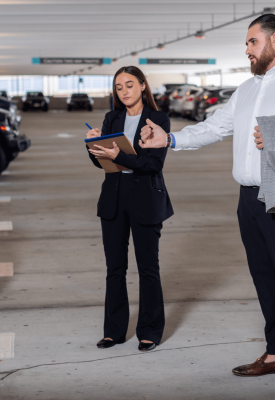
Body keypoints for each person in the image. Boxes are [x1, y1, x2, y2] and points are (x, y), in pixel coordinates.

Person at [138, 14, 275, 397]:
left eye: (252, 42)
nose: (247, 49)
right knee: (266, 278)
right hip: (250, 197)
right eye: (247, 44)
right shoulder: (248, 88)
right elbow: (215, 126)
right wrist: (168, 140)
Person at [86, 66, 173, 352]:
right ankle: (113, 331)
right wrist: (94, 148)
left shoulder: (158, 119)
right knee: (115, 268)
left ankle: (150, 330)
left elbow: (153, 164)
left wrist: (119, 155)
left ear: (143, 86)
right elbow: (104, 164)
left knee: (148, 268)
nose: (124, 91)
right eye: (119, 87)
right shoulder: (112, 117)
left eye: (129, 85)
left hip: (146, 197)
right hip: (114, 197)